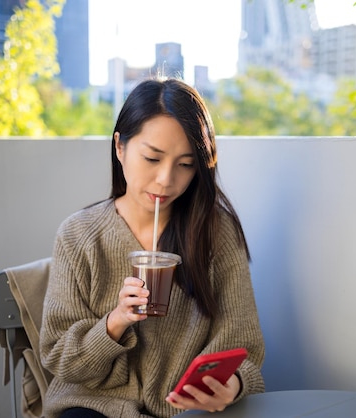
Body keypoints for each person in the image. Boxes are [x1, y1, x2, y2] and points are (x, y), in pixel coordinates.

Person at [39, 78, 265, 418]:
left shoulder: (215, 232)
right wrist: (115, 322)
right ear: (120, 147)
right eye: (152, 158)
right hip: (92, 405)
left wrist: (230, 386)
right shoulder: (79, 235)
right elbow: (59, 358)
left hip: (186, 411)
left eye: (185, 164)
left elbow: (243, 350)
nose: (165, 179)